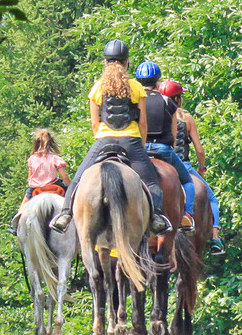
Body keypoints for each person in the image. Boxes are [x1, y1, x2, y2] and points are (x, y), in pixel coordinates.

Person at [50, 39, 173, 235]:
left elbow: (94, 123)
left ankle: (65, 215)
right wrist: (139, 145)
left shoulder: (98, 88)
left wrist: (101, 138)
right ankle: (157, 217)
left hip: (104, 141)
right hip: (131, 142)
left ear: (106, 62)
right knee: (151, 183)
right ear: (126, 63)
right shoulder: (135, 87)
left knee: (78, 179)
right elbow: (143, 123)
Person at [159, 78, 226, 255]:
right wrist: (202, 168)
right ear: (178, 99)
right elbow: (200, 150)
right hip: (184, 165)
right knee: (211, 199)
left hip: (162, 161)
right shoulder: (186, 118)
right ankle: (215, 238)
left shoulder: (157, 115)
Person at [135, 60, 196, 232]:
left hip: (139, 150)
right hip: (163, 149)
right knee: (188, 181)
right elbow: (174, 133)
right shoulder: (168, 102)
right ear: (157, 81)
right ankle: (187, 215)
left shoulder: (135, 100)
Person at [9, 128, 71, 235]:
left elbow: (29, 179)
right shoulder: (55, 158)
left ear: (36, 143)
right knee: (71, 201)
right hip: (54, 186)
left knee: (24, 204)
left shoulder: (32, 159)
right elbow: (64, 176)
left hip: (36, 189)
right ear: (50, 143)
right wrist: (71, 186)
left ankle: (16, 223)